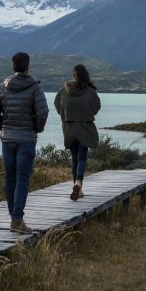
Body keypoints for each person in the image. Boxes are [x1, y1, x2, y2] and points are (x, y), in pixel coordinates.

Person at [0, 52, 48, 233]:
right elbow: (43, 112)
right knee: (22, 178)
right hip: (26, 140)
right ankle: (17, 219)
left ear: (13, 66)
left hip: (7, 139)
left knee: (10, 178)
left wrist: (3, 128)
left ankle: (14, 218)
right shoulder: (35, 88)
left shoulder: (1, 87)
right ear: (27, 66)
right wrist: (37, 128)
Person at [54, 64, 101, 200]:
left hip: (68, 128)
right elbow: (96, 107)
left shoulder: (64, 90)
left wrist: (66, 115)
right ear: (85, 75)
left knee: (74, 158)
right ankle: (78, 183)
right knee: (82, 158)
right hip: (84, 127)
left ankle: (77, 187)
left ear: (74, 75)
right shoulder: (90, 91)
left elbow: (57, 105)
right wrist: (85, 113)